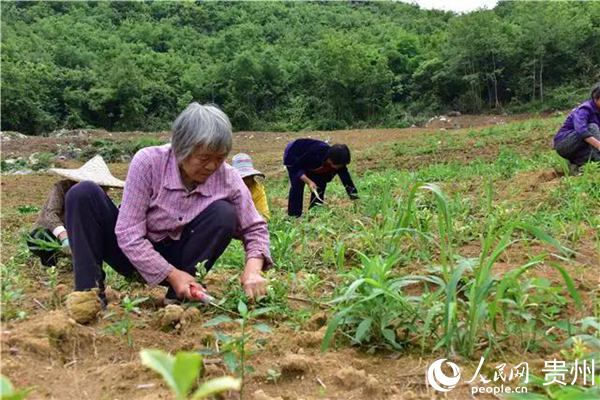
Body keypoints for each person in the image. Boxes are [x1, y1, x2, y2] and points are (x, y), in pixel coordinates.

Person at [64, 103, 272, 312]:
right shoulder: (148, 163)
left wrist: (253, 270)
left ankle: (180, 296)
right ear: (182, 150)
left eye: (219, 158)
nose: (211, 166)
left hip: (184, 259)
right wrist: (172, 274)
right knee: (82, 194)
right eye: (204, 158)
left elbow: (254, 227)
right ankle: (88, 294)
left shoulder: (228, 177)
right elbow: (128, 233)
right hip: (132, 254)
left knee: (223, 214)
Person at [26, 156, 125, 267]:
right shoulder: (61, 188)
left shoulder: (100, 196)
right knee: (40, 237)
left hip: (77, 233)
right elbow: (50, 214)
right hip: (53, 232)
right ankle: (51, 261)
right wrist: (64, 237)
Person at [283, 138, 358, 217]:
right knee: (297, 185)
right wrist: (309, 182)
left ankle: (315, 212)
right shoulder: (315, 154)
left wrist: (354, 197)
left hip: (313, 163)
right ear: (330, 160)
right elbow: (295, 169)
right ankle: (294, 216)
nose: (340, 167)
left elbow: (346, 179)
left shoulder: (338, 160)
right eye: (339, 165)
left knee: (320, 183)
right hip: (294, 155)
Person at [554, 83, 600, 174]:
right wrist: (598, 145)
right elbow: (581, 130)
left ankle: (574, 165)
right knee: (592, 127)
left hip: (580, 147)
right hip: (564, 144)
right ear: (596, 98)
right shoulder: (584, 109)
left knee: (592, 156)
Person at [232, 153, 270, 221]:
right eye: (243, 178)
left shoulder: (257, 190)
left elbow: (264, 214)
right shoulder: (228, 189)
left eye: (248, 177)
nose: (245, 181)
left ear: (252, 176)